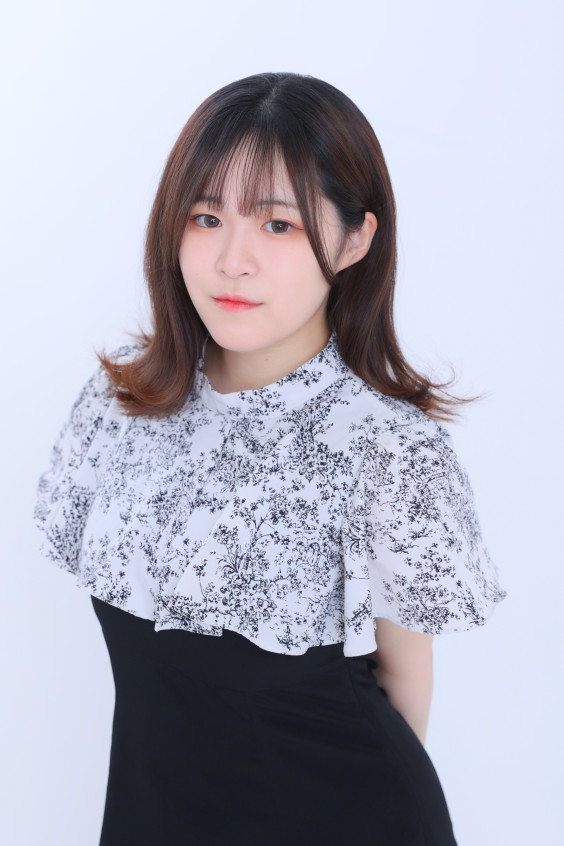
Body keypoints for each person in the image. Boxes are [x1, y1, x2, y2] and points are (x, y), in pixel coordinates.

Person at [34, 72, 506, 846]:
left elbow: (404, 685)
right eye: (206, 217)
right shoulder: (120, 404)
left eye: (278, 224)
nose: (233, 260)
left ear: (354, 240)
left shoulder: (388, 447)